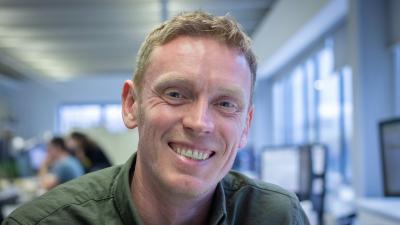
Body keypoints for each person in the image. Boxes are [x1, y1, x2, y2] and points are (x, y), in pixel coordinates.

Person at [2, 11, 310, 225]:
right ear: (131, 104)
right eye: (176, 94)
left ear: (246, 127)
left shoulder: (277, 216)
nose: (199, 122)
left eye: (226, 103)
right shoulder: (44, 222)